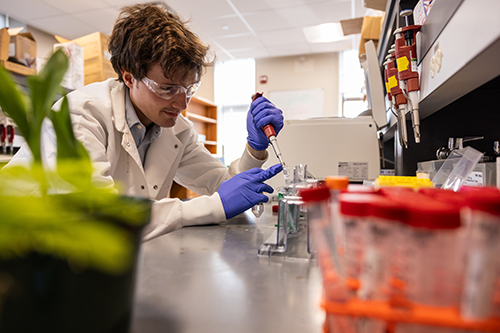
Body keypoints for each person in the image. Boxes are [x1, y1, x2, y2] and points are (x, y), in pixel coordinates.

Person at [6, 3, 284, 241]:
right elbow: (98, 214)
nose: (182, 103)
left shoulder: (176, 129)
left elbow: (224, 187)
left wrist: (254, 148)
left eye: (189, 88)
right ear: (129, 78)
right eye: (167, 88)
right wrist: (211, 206)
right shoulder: (80, 115)